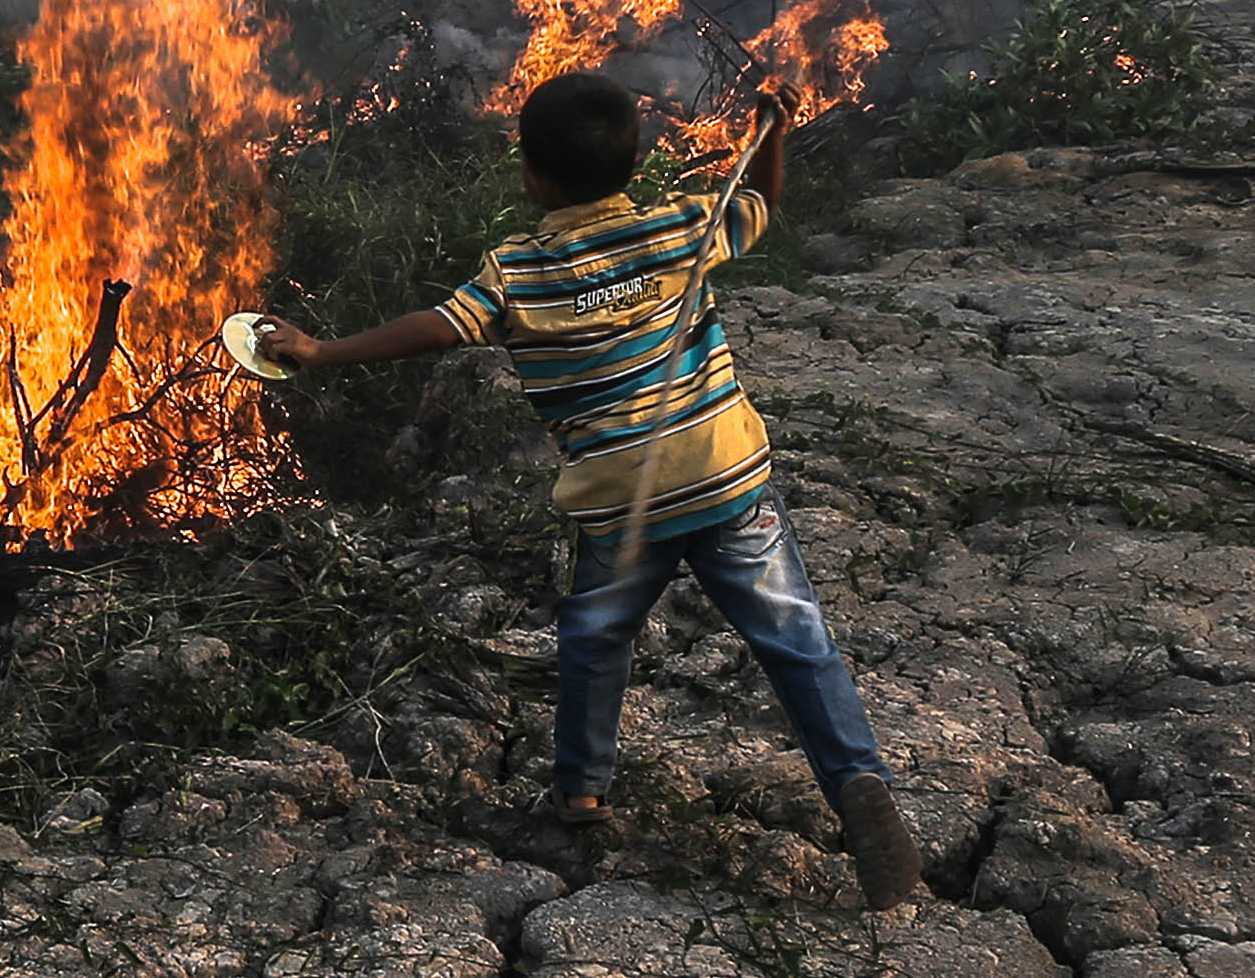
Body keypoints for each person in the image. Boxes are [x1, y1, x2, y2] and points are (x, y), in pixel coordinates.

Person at [253, 71, 924, 910]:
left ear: (532, 176)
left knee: (595, 638)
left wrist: (320, 349)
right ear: (635, 163)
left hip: (620, 501)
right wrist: (772, 133)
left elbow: (435, 328)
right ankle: (858, 780)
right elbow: (755, 204)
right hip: (726, 477)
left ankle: (580, 790)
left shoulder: (520, 272)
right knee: (796, 639)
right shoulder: (686, 225)